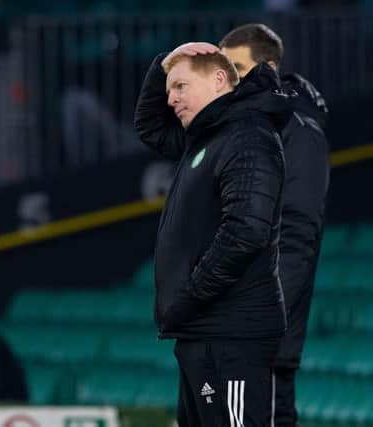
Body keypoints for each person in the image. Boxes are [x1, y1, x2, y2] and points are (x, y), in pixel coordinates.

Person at [134, 45, 288, 426]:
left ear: (219, 80)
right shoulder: (205, 137)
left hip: (231, 334)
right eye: (169, 90)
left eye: (180, 86)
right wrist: (163, 64)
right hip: (202, 332)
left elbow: (247, 230)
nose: (170, 99)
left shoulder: (248, 134)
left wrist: (191, 295)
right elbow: (149, 126)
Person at [219, 24, 330, 426]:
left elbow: (298, 232)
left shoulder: (299, 131)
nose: (225, 79)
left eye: (235, 68)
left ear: (267, 67)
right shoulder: (243, 128)